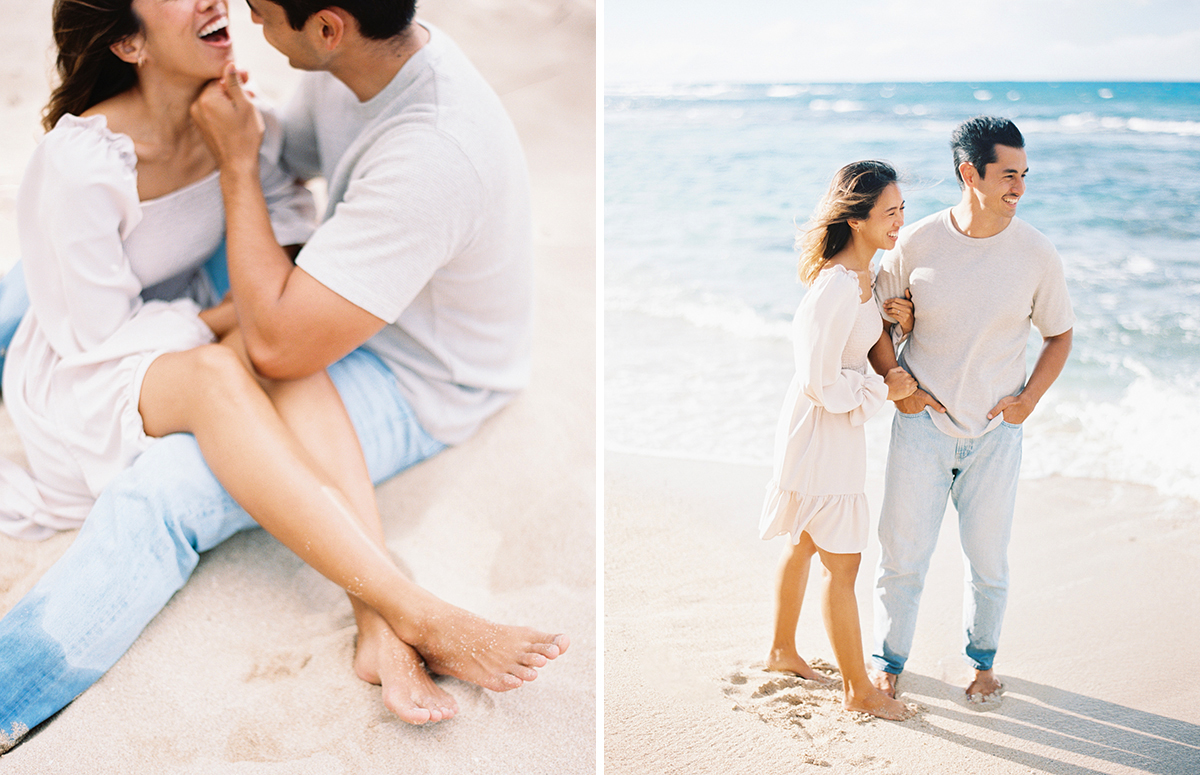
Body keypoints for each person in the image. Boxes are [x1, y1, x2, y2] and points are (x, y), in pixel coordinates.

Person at [0, 0, 566, 750]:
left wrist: (238, 200)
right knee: (32, 283)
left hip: (418, 370)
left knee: (168, 487)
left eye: (263, 12)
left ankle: (12, 686)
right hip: (278, 319)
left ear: (328, 28)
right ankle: (396, 608)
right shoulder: (343, 65)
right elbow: (271, 186)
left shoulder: (433, 148)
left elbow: (281, 332)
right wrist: (237, 299)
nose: (239, 12)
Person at [867, 116, 1074, 703]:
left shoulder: (1036, 253)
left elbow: (1059, 335)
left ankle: (982, 663)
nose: (1020, 189)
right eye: (1008, 176)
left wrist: (1027, 401)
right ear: (969, 174)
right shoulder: (917, 242)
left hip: (994, 436)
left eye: (1024, 175)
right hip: (920, 429)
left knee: (988, 562)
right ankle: (889, 661)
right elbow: (876, 318)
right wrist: (897, 380)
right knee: (902, 557)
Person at [760, 160, 917, 721]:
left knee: (804, 541)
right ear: (857, 220)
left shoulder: (863, 280)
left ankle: (781, 651)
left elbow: (854, 347)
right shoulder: (833, 287)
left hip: (832, 433)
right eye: (890, 212)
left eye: (902, 209)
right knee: (843, 564)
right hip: (821, 434)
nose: (900, 221)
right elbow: (820, 381)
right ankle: (858, 690)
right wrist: (883, 389)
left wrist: (893, 323)